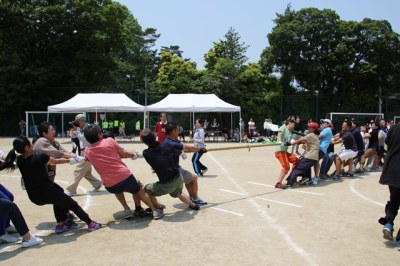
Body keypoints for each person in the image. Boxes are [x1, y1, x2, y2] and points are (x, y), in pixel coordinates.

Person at [0, 136, 102, 233]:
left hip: (34, 196)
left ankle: (60, 224)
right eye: (30, 143)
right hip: (47, 191)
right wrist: (71, 160)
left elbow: (10, 159)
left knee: (60, 193)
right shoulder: (39, 157)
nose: (32, 144)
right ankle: (90, 223)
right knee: (72, 204)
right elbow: (54, 161)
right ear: (26, 147)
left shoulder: (20, 160)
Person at [83, 123, 163, 220]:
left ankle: (127, 209)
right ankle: (154, 210)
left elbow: (87, 159)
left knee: (118, 190)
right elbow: (124, 154)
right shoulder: (109, 141)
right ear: (99, 134)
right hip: (125, 177)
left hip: (109, 184)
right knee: (138, 188)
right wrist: (134, 154)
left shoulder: (87, 151)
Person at [140, 129, 201, 211]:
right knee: (178, 193)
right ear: (155, 137)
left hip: (166, 184)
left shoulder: (146, 153)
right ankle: (193, 205)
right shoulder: (166, 145)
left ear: (145, 142)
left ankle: (157, 207)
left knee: (146, 189)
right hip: (179, 178)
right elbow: (178, 152)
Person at [164, 122, 207, 205]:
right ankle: (195, 199)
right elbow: (187, 148)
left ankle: (192, 197)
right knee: (194, 177)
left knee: (188, 179)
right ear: (173, 131)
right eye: (177, 130)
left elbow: (183, 146)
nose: (178, 132)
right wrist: (200, 149)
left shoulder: (170, 140)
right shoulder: (171, 143)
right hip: (174, 170)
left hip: (174, 167)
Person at [65, 114, 103, 196]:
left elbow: (90, 139)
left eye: (77, 122)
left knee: (78, 170)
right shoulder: (79, 128)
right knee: (86, 172)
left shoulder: (89, 128)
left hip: (89, 152)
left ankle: (71, 189)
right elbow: (73, 137)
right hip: (83, 152)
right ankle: (97, 184)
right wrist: (72, 129)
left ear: (82, 121)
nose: (76, 123)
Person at [378, 123, 400, 250]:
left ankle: (388, 223)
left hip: (392, 168)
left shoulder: (394, 128)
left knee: (394, 200)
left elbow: (388, 143)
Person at [284, 122, 320, 188]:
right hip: (313, 157)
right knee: (305, 167)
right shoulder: (315, 136)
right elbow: (305, 142)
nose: (308, 128)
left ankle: (290, 183)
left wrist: (292, 143)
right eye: (308, 127)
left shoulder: (311, 134)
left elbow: (302, 139)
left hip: (310, 156)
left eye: (310, 127)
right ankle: (307, 179)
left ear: (314, 129)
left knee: (297, 168)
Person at [274, 118, 299, 189]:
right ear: (289, 123)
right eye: (293, 124)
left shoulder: (290, 132)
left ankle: (292, 178)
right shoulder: (283, 127)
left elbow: (288, 141)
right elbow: (279, 135)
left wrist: (292, 142)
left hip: (284, 151)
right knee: (286, 167)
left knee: (296, 161)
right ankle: (278, 183)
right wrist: (279, 141)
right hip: (279, 151)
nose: (294, 126)